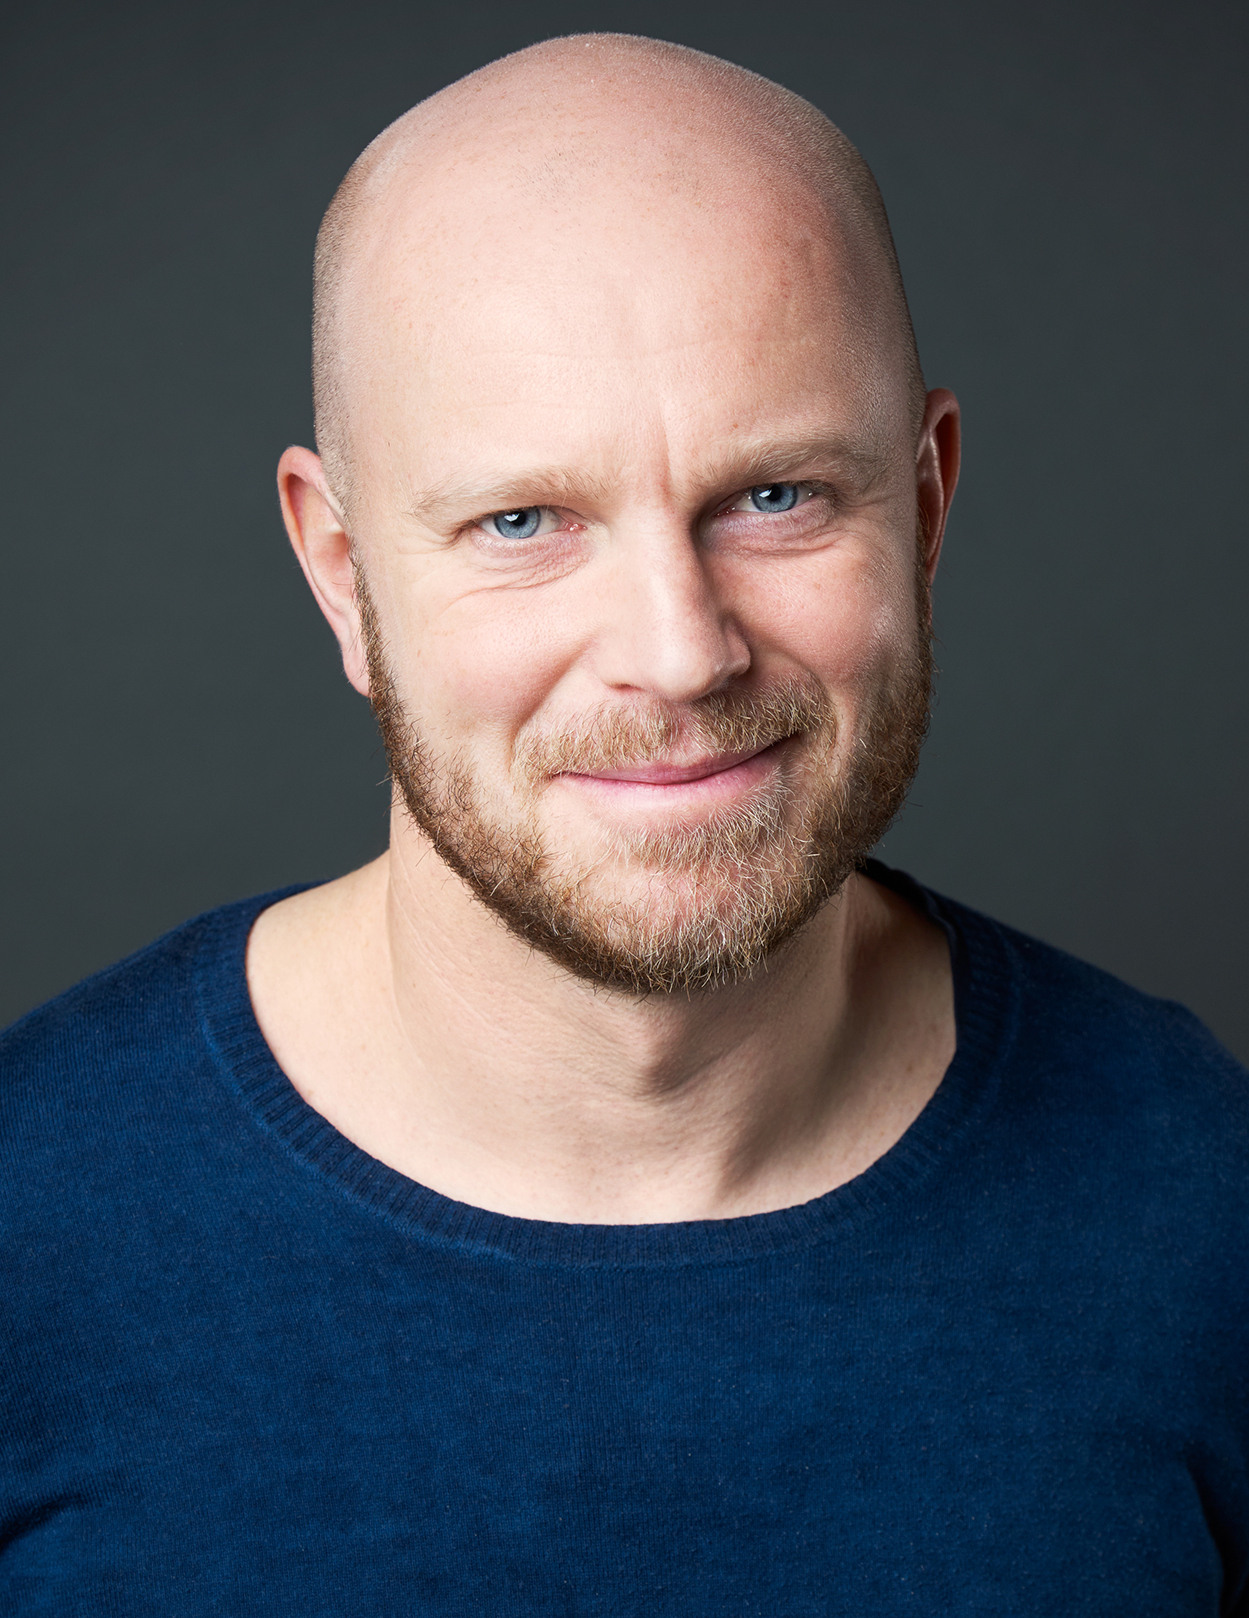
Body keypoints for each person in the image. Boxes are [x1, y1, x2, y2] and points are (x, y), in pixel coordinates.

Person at [2, 32, 1246, 1615]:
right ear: (341, 573)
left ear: (926, 505)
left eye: (777, 495)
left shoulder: (1200, 1200)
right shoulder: (26, 1228)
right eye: (522, 520)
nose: (678, 651)